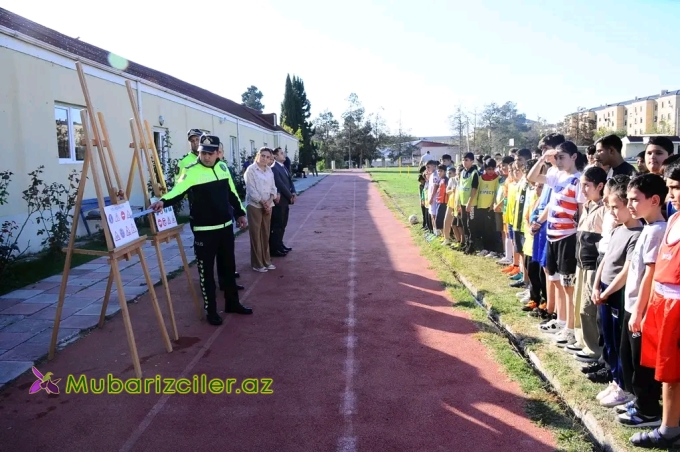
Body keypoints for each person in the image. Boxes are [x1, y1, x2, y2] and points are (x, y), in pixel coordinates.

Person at [150, 134, 251, 326]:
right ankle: (211, 310)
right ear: (199, 152)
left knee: (228, 268)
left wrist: (240, 213)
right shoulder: (191, 171)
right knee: (206, 273)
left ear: (217, 153)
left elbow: (232, 193)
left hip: (226, 228)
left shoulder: (222, 168)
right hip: (204, 230)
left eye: (210, 153)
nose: (206, 157)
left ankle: (233, 303)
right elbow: (177, 191)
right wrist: (162, 201)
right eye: (203, 153)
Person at [616, 173, 667, 428]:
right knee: (629, 359)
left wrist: (638, 311)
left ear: (655, 200)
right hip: (633, 305)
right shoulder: (648, 227)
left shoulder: (658, 231)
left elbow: (650, 273)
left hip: (641, 308)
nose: (631, 204)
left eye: (635, 200)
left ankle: (649, 411)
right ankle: (639, 402)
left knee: (641, 364)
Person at [592, 175, 642, 407]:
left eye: (615, 207)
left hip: (616, 294)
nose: (611, 212)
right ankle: (614, 379)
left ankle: (624, 386)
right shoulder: (617, 229)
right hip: (603, 290)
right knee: (609, 340)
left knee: (618, 341)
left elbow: (626, 272)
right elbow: (605, 260)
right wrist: (596, 285)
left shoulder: (637, 234)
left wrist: (607, 291)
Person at [244, 147, 278, 272]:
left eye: (268, 157)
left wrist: (269, 202)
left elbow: (273, 188)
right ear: (258, 155)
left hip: (268, 205)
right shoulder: (251, 170)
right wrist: (263, 203)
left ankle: (266, 260)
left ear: (270, 159)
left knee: (265, 233)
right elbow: (251, 190)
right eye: (262, 155)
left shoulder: (269, 170)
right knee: (256, 234)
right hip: (255, 205)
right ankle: (257, 263)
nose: (265, 158)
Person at [271, 147, 296, 256]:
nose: (284, 155)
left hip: (286, 200)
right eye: (281, 153)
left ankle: (280, 244)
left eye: (283, 153)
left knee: (283, 224)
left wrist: (294, 192)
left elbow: (290, 181)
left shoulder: (284, 167)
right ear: (275, 156)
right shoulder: (274, 168)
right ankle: (274, 248)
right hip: (280, 201)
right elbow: (279, 183)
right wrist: (290, 195)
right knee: (278, 224)